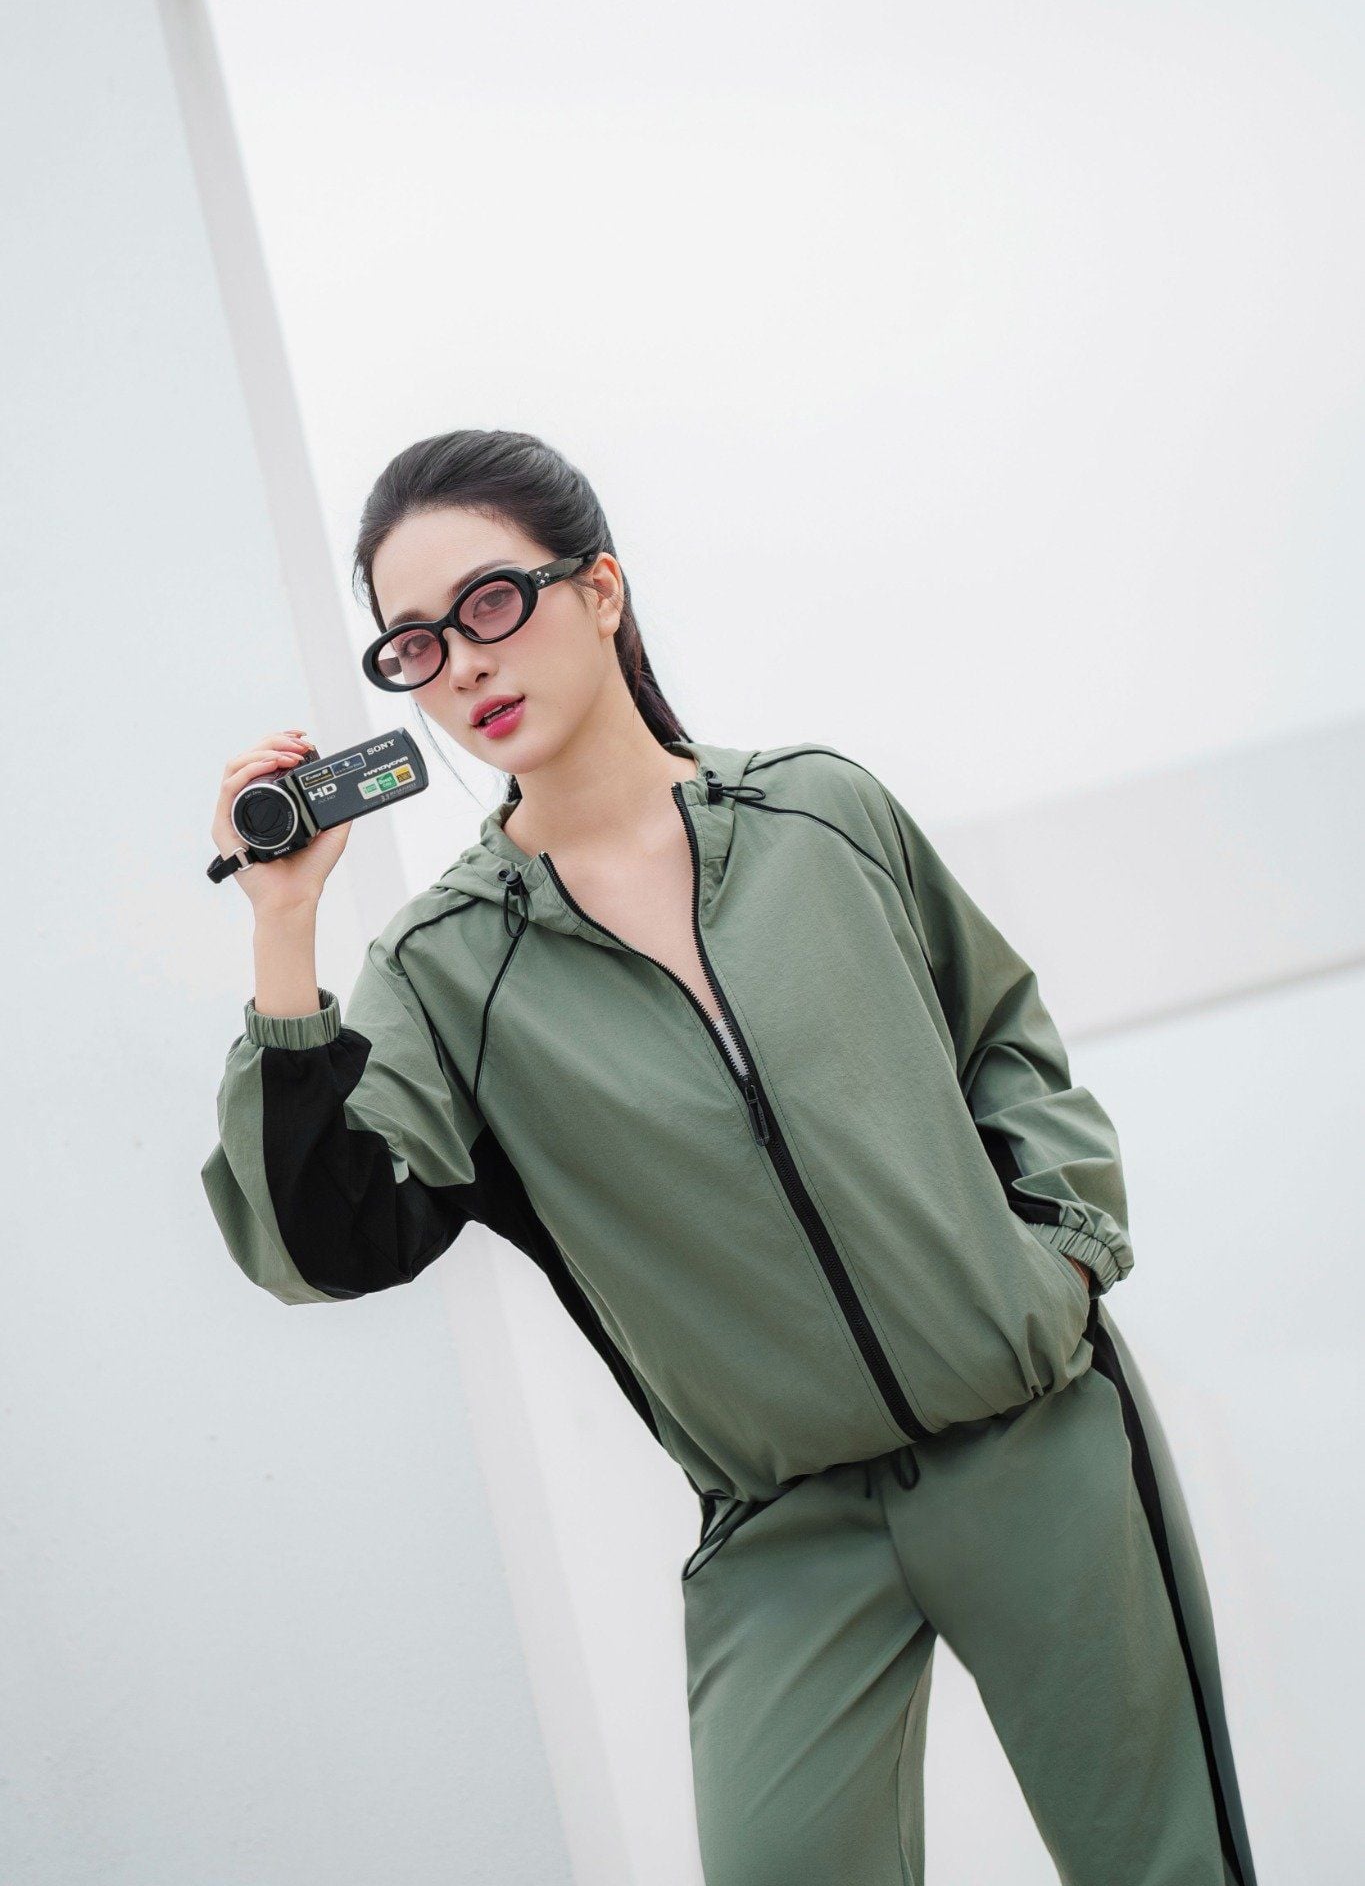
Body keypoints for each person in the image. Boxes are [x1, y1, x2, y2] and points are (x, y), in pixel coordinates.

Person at [203, 429, 1259, 1885]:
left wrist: (1063, 1264)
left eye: (491, 602)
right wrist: (283, 933)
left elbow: (998, 1034)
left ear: (600, 591)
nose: (462, 663)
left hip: (1039, 1443)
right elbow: (330, 1243)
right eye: (416, 642)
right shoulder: (447, 970)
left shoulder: (820, 813)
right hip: (780, 1532)